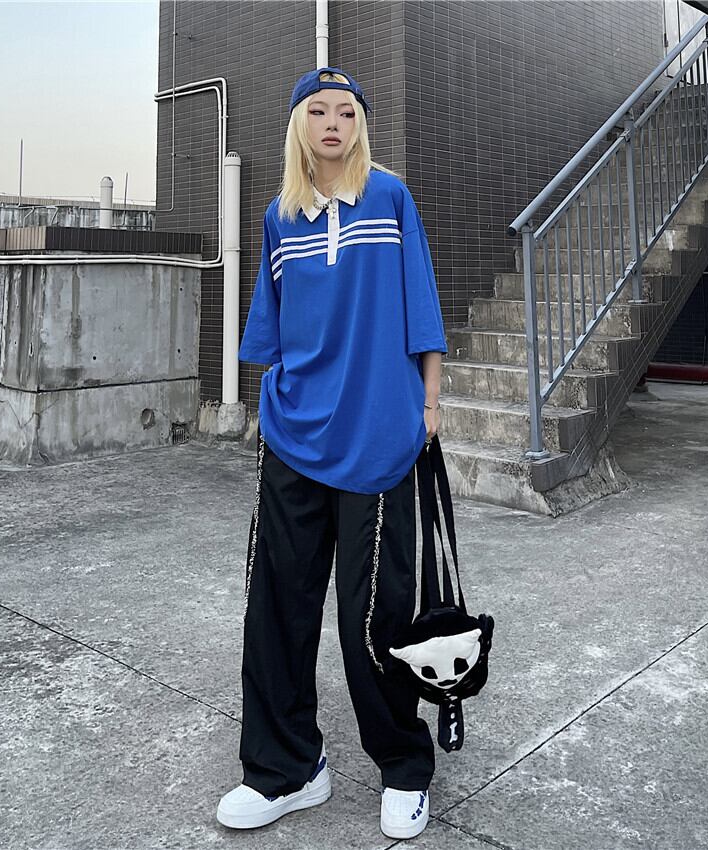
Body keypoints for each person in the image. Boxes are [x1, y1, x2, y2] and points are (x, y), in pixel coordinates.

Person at [216, 66, 448, 841]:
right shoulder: (279, 216)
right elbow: (273, 325)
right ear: (298, 125)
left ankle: (404, 766)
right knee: (277, 608)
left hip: (378, 439)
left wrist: (429, 403)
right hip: (293, 437)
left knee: (373, 618)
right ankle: (286, 768)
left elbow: (422, 308)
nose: (332, 124)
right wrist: (272, 406)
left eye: (346, 112)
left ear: (359, 125)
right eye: (318, 111)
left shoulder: (390, 198)